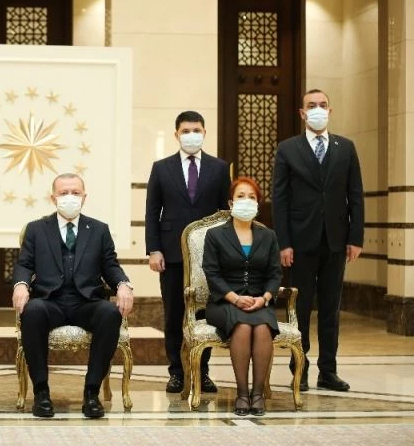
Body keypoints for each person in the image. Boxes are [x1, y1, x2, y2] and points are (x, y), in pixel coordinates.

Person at [13, 173, 134, 419]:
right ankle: (41, 392)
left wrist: (123, 284)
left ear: (84, 197)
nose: (70, 197)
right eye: (64, 193)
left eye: (75, 193)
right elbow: (24, 264)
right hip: (50, 302)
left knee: (110, 313)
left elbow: (110, 265)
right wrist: (21, 285)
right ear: (53, 198)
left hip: (86, 302)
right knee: (32, 311)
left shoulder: (99, 230)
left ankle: (91, 393)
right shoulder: (36, 229)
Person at [272, 89, 364, 392]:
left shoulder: (346, 148)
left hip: (336, 241)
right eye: (311, 105)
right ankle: (300, 369)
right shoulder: (288, 149)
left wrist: (355, 237)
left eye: (323, 105)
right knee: (299, 310)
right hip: (299, 244)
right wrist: (284, 243)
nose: (317, 109)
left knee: (330, 309)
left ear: (330, 111)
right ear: (302, 113)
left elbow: (355, 195)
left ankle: (328, 371)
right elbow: (280, 199)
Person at [145, 110, 230, 394]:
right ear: (176, 135)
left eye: (196, 130)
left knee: (204, 313)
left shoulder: (219, 168)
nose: (191, 135)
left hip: (209, 256)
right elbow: (152, 212)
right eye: (185, 131)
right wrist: (154, 249)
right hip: (170, 253)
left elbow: (224, 214)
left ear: (204, 133)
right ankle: (177, 372)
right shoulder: (161, 168)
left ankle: (202, 371)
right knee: (174, 314)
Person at [202, 177, 281, 416]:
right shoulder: (215, 235)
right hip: (223, 302)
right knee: (243, 326)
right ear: (230, 202)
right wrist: (234, 298)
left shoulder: (268, 236)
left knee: (263, 327)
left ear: (257, 203)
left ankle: (257, 394)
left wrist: (264, 298)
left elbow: (275, 274)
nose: (246, 200)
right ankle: (242, 394)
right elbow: (212, 273)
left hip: (259, 301)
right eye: (240, 196)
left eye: (251, 197)